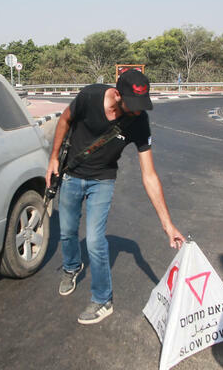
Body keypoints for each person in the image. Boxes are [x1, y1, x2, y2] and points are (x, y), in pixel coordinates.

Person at [47, 69, 185, 325]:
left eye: (141, 106)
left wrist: (168, 225)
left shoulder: (139, 121)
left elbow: (150, 175)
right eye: (132, 105)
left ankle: (102, 300)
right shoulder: (89, 97)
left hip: (103, 179)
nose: (136, 111)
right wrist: (54, 158)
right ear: (117, 94)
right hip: (72, 174)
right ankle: (72, 267)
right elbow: (64, 120)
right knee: (67, 231)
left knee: (95, 240)